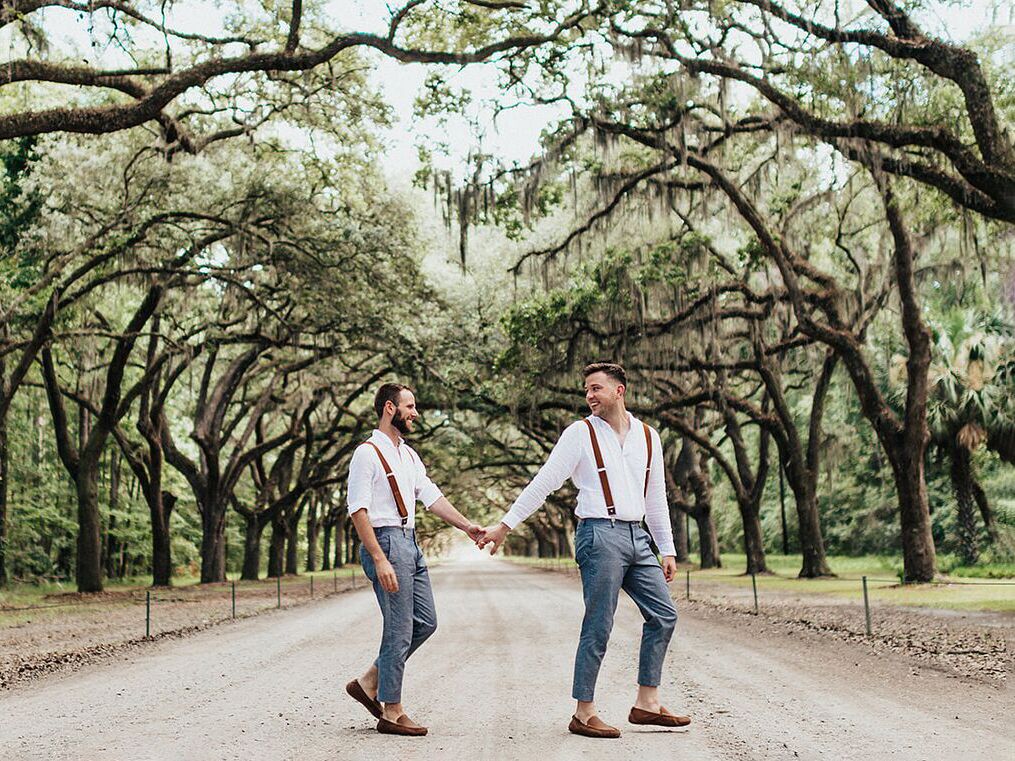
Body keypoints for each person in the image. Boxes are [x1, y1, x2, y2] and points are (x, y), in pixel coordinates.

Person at [479, 362, 690, 738]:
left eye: (596, 388)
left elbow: (655, 496)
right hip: (598, 534)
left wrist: (667, 548)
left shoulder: (648, 436)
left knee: (664, 615)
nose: (589, 396)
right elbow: (543, 482)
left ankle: (647, 703)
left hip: (638, 537)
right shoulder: (579, 434)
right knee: (599, 623)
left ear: (619, 390)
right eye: (586, 390)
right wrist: (505, 526)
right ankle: (584, 711)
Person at [345, 382, 485, 737]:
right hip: (386, 542)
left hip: (410, 541)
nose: (416, 412)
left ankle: (369, 681)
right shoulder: (366, 453)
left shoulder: (407, 455)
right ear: (389, 408)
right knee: (399, 628)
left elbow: (432, 496)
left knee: (425, 621)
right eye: (410, 406)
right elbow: (358, 510)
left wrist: (466, 526)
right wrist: (379, 557)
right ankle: (391, 710)